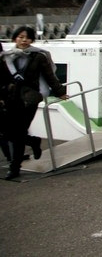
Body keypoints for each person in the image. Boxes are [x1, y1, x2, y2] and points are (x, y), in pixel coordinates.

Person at [0, 27, 68, 180]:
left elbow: (50, 76)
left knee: (18, 132)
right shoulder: (6, 57)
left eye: (27, 37)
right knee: (8, 131)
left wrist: (60, 92)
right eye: (20, 37)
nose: (24, 40)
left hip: (29, 99)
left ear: (31, 40)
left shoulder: (38, 56)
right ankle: (33, 141)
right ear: (14, 39)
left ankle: (14, 168)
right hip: (10, 98)